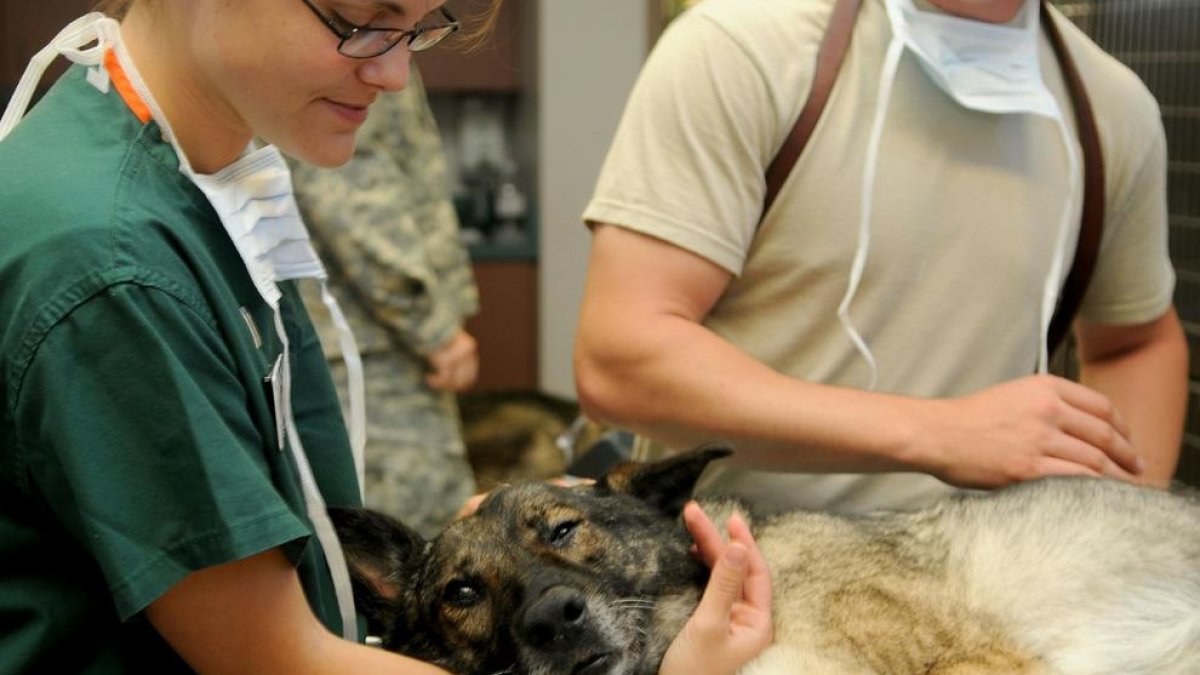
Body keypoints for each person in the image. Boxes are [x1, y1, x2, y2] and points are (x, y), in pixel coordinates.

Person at [0, 0, 772, 673]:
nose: (395, 75)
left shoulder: (202, 182)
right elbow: (277, 659)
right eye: (362, 22)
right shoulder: (112, 266)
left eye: (419, 30)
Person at [575, 0, 1188, 516]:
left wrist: (1120, 529)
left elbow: (1136, 341)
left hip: (991, 592)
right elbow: (621, 359)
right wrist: (939, 433)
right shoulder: (744, 49)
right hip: (740, 589)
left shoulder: (1112, 109)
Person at [289, 73, 481, 539]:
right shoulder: (353, 41)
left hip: (359, 337)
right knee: (418, 548)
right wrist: (432, 328)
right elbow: (349, 191)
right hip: (370, 346)